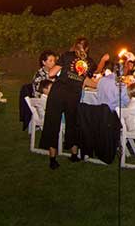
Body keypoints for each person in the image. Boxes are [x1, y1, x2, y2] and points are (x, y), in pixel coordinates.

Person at [40, 37, 109, 170]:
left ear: (74, 46)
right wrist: (103, 62)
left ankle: (53, 159)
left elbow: (52, 73)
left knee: (52, 123)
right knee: (73, 123)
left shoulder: (66, 56)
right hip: (73, 96)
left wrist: (61, 71)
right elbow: (90, 77)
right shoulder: (89, 62)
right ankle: (74, 155)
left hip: (57, 93)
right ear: (87, 48)